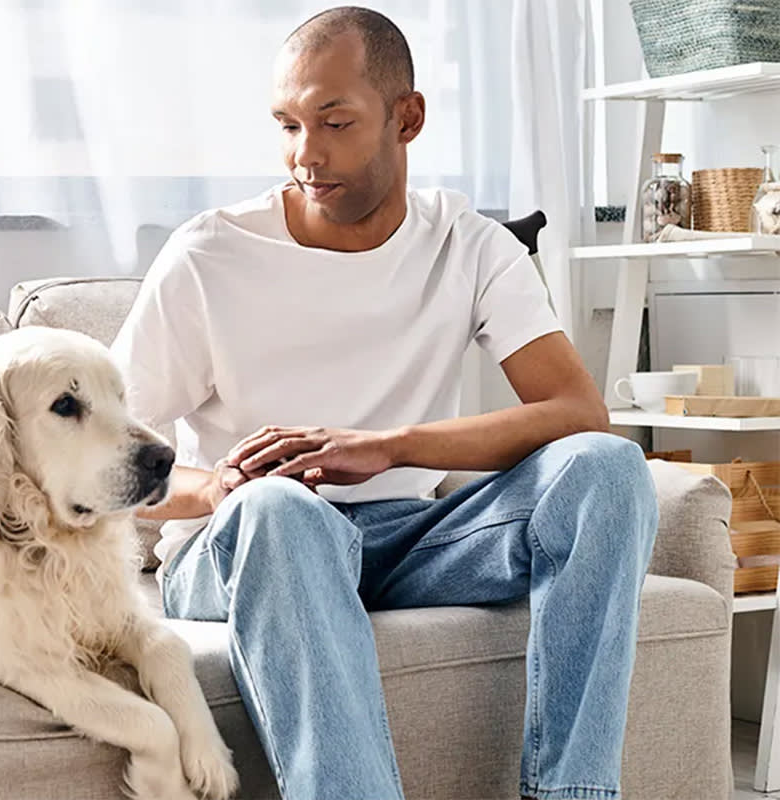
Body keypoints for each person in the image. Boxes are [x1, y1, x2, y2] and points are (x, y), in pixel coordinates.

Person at [110, 6, 659, 800]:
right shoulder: (209, 255)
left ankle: (572, 793)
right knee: (280, 509)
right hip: (244, 543)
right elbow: (101, 462)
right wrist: (223, 487)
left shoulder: (468, 243)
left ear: (408, 118)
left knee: (607, 468)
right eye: (288, 125)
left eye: (334, 123)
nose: (306, 155)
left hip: (404, 536)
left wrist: (390, 446)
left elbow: (578, 412)